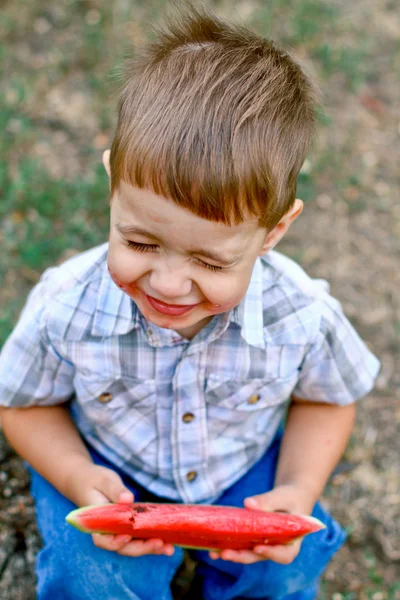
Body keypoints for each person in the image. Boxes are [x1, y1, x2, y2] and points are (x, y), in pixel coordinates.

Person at [0, 4, 380, 600]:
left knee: (285, 566)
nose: (169, 284)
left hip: (243, 474)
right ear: (112, 185)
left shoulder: (302, 314)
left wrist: (298, 489)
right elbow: (20, 405)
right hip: (108, 469)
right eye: (140, 241)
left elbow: (328, 400)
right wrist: (78, 477)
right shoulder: (64, 307)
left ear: (275, 231)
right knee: (89, 576)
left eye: (210, 262)